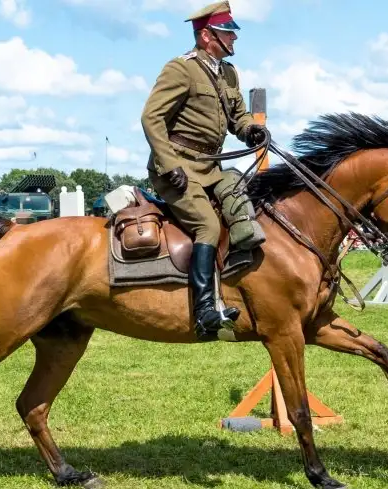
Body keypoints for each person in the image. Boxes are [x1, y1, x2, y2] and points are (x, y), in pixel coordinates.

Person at [140, 0, 268, 341]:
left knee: (242, 209)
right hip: (177, 169)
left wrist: (250, 130)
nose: (234, 40)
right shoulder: (180, 69)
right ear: (208, 35)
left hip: (212, 167)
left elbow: (237, 117)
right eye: (229, 33)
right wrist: (168, 166)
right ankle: (205, 312)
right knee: (208, 226)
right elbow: (150, 118)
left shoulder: (228, 72)